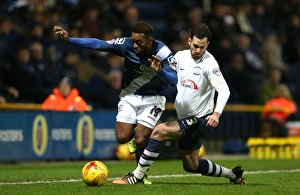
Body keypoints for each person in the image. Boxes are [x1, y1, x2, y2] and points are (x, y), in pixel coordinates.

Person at [113, 23, 245, 185]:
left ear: (207, 45)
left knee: (159, 131)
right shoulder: (179, 57)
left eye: (202, 47)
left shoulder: (210, 64)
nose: (198, 50)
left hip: (200, 120)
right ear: (189, 41)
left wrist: (216, 113)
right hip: (184, 119)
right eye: (195, 46)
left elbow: (224, 90)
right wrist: (158, 72)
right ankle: (232, 175)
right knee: (191, 165)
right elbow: (169, 77)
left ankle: (137, 176)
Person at [54, 21, 177, 183]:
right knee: (121, 137)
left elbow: (174, 80)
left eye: (138, 42)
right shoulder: (126, 44)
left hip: (153, 98)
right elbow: (100, 44)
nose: (134, 45)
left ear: (150, 41)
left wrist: (160, 71)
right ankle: (137, 135)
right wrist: (71, 40)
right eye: (133, 41)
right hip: (130, 95)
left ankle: (139, 174)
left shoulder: (163, 53)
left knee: (141, 139)